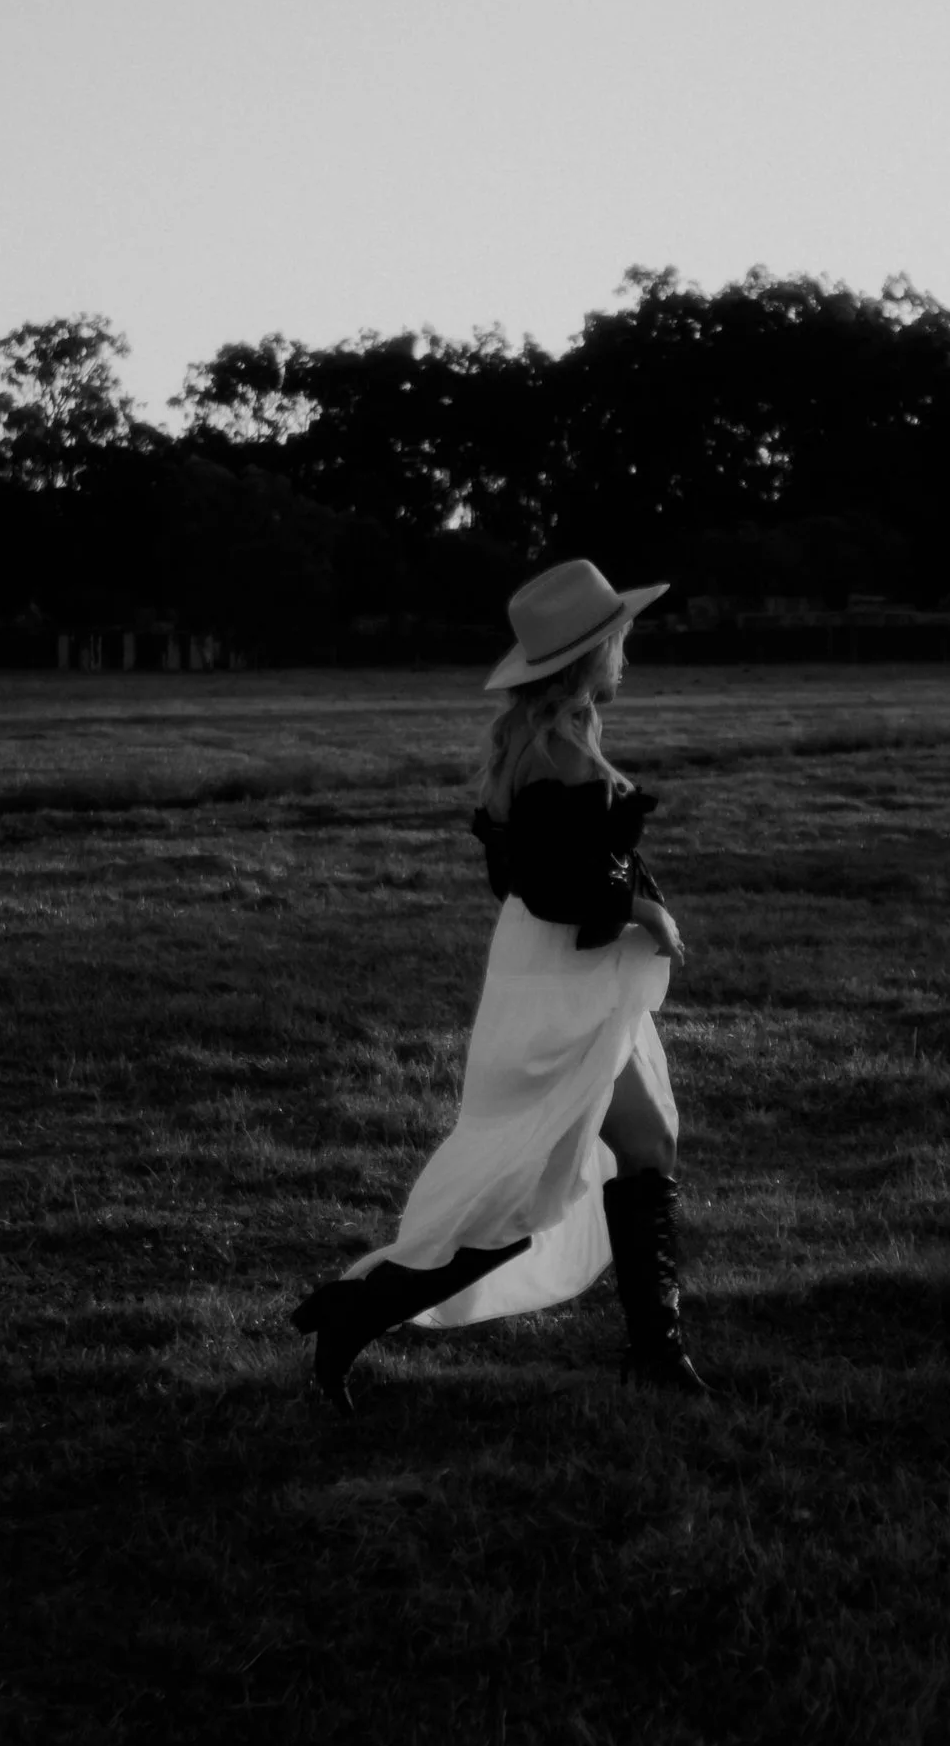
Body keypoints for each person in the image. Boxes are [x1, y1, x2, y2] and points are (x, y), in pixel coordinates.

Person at [293, 556, 707, 1411]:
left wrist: (633, 898)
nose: (625, 652)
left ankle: (656, 1354)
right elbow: (556, 887)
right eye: (617, 640)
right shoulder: (557, 754)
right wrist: (642, 911)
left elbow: (530, 876)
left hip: (557, 972)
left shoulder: (548, 740)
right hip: (565, 980)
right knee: (531, 1188)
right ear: (591, 655)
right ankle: (356, 1312)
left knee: (646, 1142)